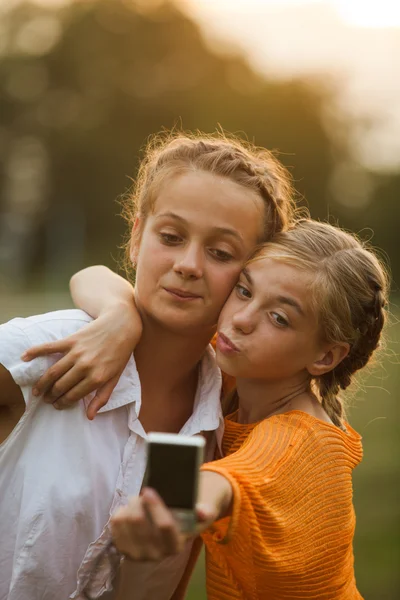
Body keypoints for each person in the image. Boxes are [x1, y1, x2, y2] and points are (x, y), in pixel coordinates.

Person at [0, 131, 296, 600]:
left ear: (250, 279)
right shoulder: (51, 347)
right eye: (171, 237)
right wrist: (119, 312)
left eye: (220, 253)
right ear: (137, 237)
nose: (189, 264)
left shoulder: (230, 411)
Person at [109, 219, 389, 600]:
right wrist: (119, 319)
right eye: (244, 290)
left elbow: (241, 476)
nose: (240, 319)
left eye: (279, 318)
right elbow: (93, 278)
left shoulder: (295, 444)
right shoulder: (241, 374)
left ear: (325, 356)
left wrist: (179, 508)